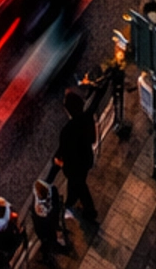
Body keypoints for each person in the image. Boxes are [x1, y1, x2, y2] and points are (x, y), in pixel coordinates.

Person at [53, 87, 98, 226]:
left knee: (80, 186)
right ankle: (71, 200)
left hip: (74, 167)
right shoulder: (87, 118)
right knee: (77, 184)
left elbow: (64, 152)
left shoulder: (67, 131)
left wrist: (60, 161)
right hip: (86, 160)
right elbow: (92, 139)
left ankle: (89, 211)